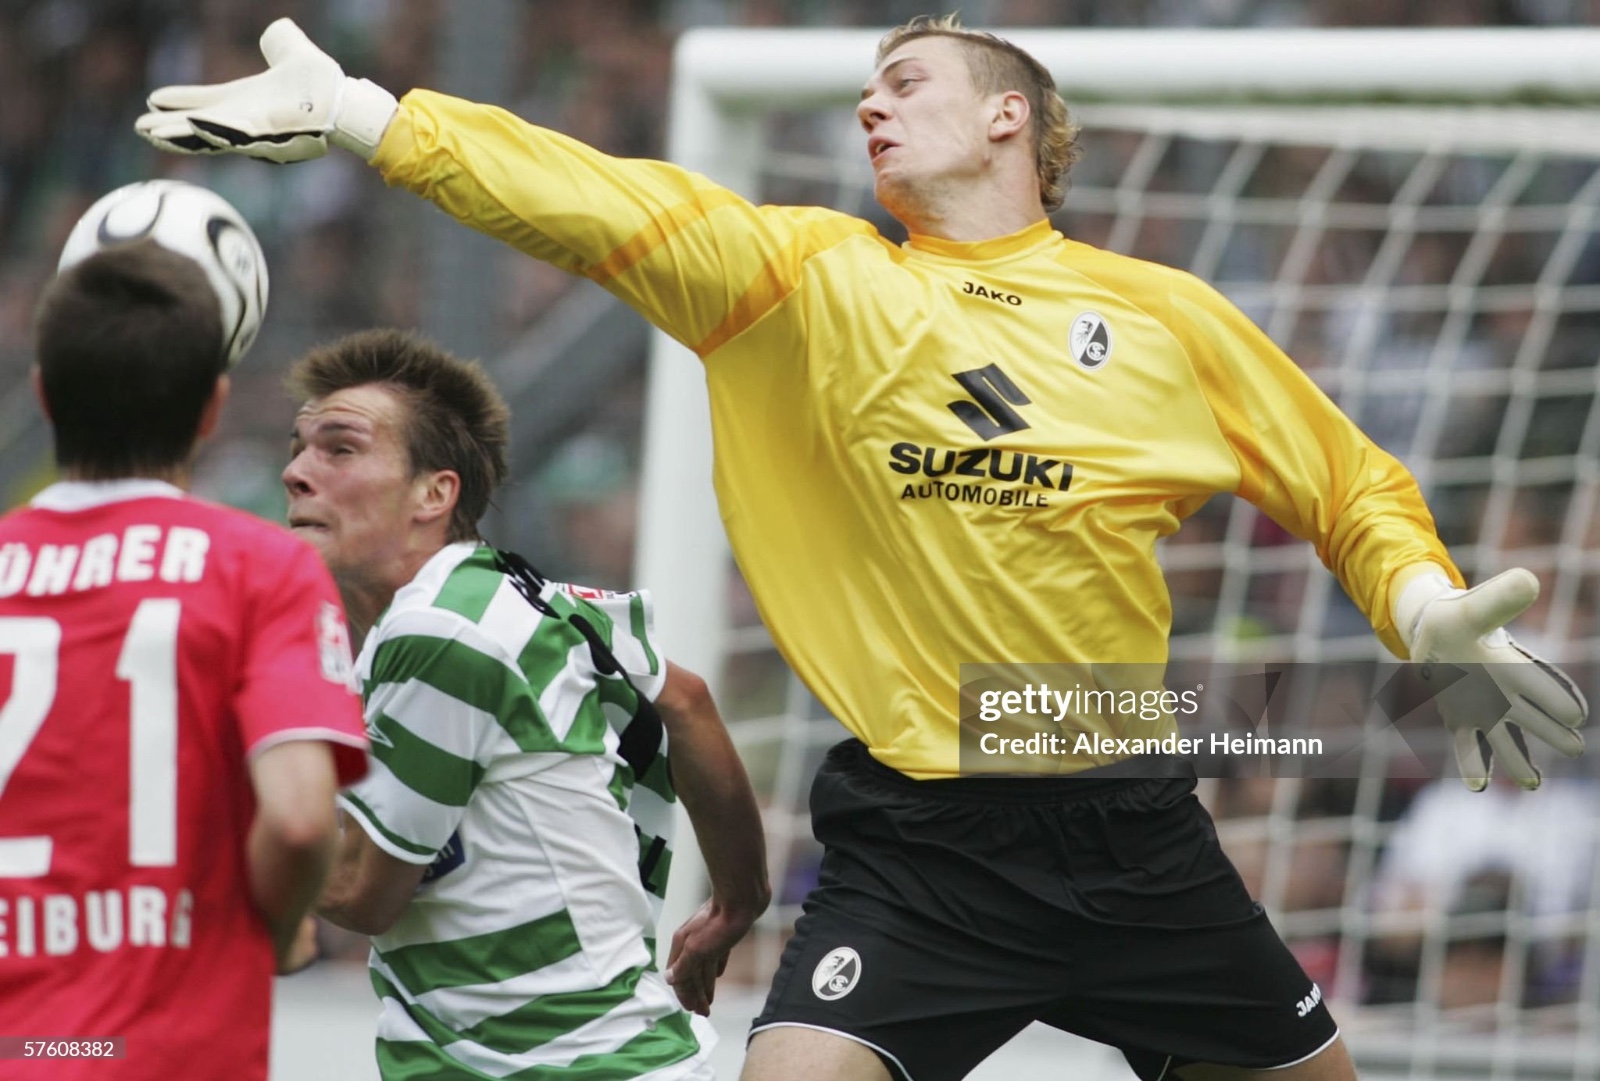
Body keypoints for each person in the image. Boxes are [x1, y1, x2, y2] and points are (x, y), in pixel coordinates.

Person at [137, 15, 1589, 1081]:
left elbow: (1345, 483)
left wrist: (1422, 607)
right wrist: (372, 119)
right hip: (922, 836)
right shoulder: (810, 283)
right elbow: (594, 206)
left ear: (1011, 116)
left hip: (1134, 824)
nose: (870, 108)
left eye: (906, 83)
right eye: (865, 91)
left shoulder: (1160, 315)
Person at [278, 327, 769, 1080]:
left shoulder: (439, 631)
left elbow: (358, 893)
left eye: (339, 448)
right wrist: (737, 900)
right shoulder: (527, 596)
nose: (296, 472)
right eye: (299, 446)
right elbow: (689, 701)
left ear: (433, 493)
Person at [0, 241, 369, 1080]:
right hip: (168, 1053)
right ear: (212, 406)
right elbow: (302, 817)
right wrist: (275, 930)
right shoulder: (261, 568)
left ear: (44, 395)